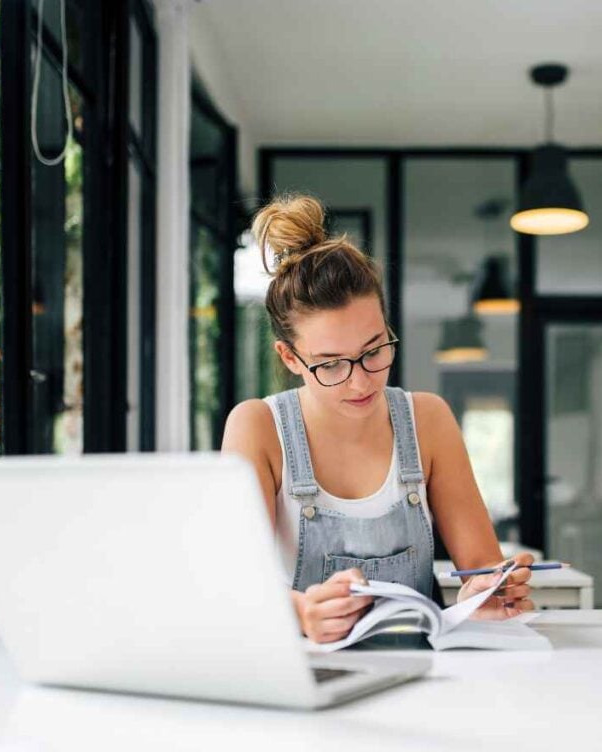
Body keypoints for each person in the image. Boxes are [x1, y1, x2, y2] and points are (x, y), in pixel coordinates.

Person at [222, 193, 534, 644]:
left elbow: (482, 570)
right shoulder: (258, 427)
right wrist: (301, 613)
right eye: (331, 364)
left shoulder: (428, 420)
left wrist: (489, 592)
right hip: (313, 669)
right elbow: (235, 582)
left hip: (425, 669)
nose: (360, 382)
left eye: (374, 351)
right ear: (290, 357)